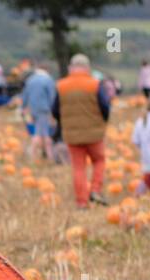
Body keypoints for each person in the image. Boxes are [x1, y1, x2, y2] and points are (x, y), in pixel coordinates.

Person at [52, 53, 111, 208]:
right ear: (87, 68)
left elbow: (55, 110)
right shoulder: (94, 84)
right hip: (94, 133)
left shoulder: (61, 85)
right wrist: (102, 121)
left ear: (71, 68)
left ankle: (81, 202)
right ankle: (95, 190)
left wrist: (63, 121)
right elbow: (105, 107)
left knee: (78, 167)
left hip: (72, 135)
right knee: (99, 160)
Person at [21, 65, 56, 162]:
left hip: (33, 109)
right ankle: (45, 157)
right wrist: (53, 112)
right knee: (42, 134)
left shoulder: (30, 80)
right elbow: (52, 97)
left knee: (38, 131)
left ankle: (43, 157)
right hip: (44, 109)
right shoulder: (48, 80)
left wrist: (23, 108)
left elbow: (25, 96)